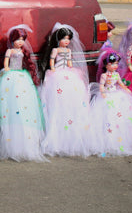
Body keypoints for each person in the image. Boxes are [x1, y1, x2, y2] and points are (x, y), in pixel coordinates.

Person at [0, 26, 46, 162]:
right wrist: (7, 69)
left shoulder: (22, 51)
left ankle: (26, 139)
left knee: (23, 105)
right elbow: (6, 62)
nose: (20, 42)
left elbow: (25, 63)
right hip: (11, 75)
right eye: (18, 39)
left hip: (22, 77)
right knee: (10, 105)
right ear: (12, 40)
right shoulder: (9, 50)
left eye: (22, 39)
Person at [88, 47, 132, 157]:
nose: (115, 66)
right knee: (106, 116)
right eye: (112, 64)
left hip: (116, 94)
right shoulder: (104, 75)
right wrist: (102, 92)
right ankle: (107, 139)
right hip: (107, 94)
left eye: (116, 64)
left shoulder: (116, 75)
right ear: (106, 65)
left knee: (120, 116)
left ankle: (119, 138)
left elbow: (120, 83)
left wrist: (125, 88)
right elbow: (101, 85)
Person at [39, 24, 92, 157]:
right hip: (56, 73)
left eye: (68, 39)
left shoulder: (68, 51)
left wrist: (71, 67)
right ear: (58, 39)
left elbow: (69, 62)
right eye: (64, 39)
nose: (66, 41)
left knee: (71, 97)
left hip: (67, 73)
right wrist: (52, 69)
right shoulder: (55, 50)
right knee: (56, 100)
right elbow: (52, 61)